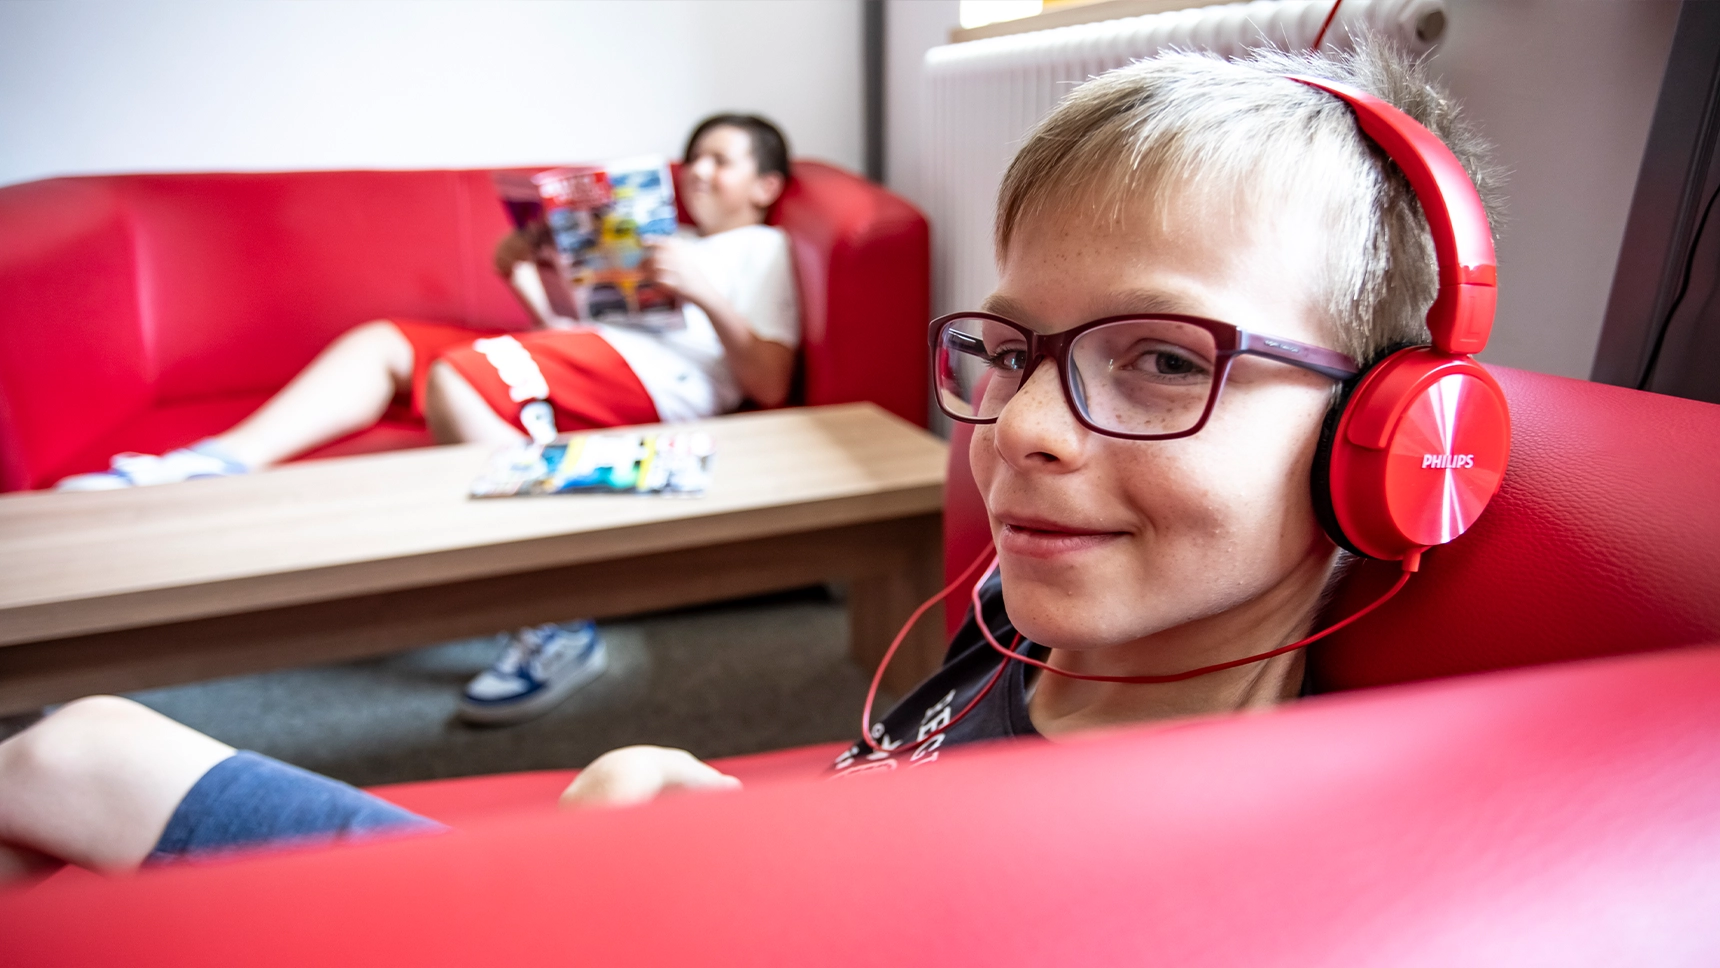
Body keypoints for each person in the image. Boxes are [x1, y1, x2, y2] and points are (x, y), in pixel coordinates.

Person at [0, 42, 1500, 885]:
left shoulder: (1165, 855)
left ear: (1392, 439)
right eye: (1016, 349)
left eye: (1165, 359)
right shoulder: (1024, 636)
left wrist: (672, 889)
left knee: (69, 765)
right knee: (76, 750)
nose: (1023, 428)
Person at [54, 114, 803, 726]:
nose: (699, 171)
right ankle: (214, 462)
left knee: (459, 378)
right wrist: (525, 273)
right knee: (387, 344)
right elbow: (557, 339)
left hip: (663, 382)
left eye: (722, 161)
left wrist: (705, 291)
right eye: (694, 158)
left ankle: (556, 616)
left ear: (767, 185)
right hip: (590, 353)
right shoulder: (673, 243)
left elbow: (768, 380)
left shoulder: (760, 249)